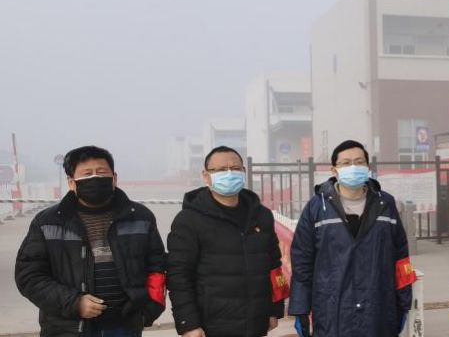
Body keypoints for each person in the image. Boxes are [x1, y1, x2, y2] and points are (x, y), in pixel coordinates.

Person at [15, 145, 166, 337]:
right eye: (87, 174)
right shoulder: (47, 222)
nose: (95, 178)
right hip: (67, 328)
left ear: (114, 178)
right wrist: (74, 303)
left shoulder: (140, 217)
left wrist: (149, 310)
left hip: (124, 327)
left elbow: (157, 268)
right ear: (72, 182)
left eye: (101, 172)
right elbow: (29, 276)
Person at [289, 140, 416, 337]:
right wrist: (300, 308)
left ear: (368, 167)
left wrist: (403, 302)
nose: (353, 167)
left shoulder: (385, 203)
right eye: (346, 163)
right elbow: (302, 262)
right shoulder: (317, 207)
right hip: (332, 311)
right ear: (334, 169)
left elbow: (401, 258)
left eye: (359, 162)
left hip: (379, 307)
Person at [166, 146, 288, 337]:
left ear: (244, 173)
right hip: (211, 326)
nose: (229, 173)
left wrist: (274, 310)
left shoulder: (261, 216)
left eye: (236, 168)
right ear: (206, 176)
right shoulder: (189, 220)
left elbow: (273, 265)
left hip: (255, 323)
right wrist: (188, 323)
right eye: (221, 169)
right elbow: (178, 276)